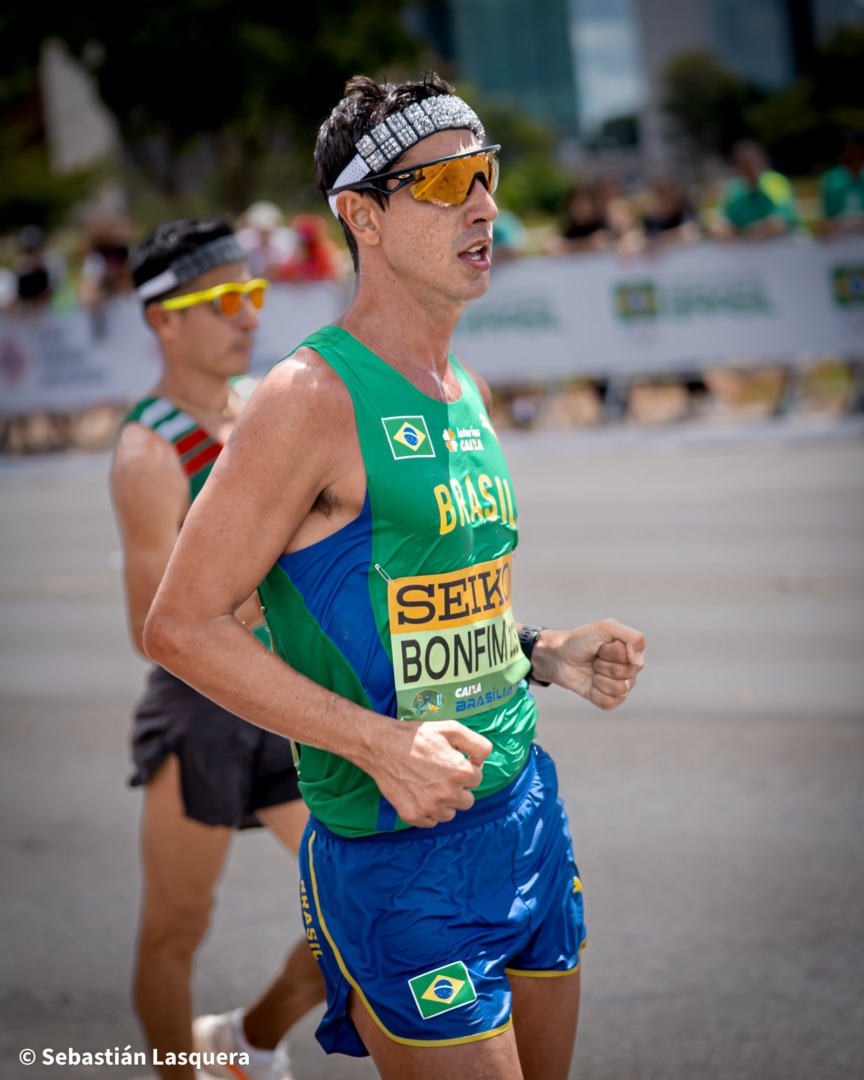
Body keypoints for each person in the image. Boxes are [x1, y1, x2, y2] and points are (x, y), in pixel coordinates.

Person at [143, 73, 646, 1080]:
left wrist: (544, 651)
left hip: (526, 816)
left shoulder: (466, 388)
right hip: (394, 855)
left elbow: (422, 609)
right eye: (448, 181)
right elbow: (182, 624)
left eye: (487, 173)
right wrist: (379, 744)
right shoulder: (306, 397)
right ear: (360, 215)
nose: (486, 205)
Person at [109, 218, 324, 1080]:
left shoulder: (261, 412)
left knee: (360, 905)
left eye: (256, 295)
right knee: (175, 928)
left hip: (287, 696)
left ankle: (246, 1042)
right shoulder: (148, 451)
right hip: (200, 710)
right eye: (226, 300)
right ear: (164, 318)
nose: (249, 316)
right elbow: (150, 628)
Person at [710, 140, 798, 240]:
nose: (747, 168)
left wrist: (746, 232)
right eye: (742, 164)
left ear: (761, 162)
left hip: (781, 243)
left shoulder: (774, 182)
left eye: (749, 163)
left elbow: (781, 223)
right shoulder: (733, 187)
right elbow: (720, 224)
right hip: (747, 246)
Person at [818, 129, 864, 236]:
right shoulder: (831, 178)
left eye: (852, 148)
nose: (849, 152)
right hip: (840, 232)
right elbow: (829, 215)